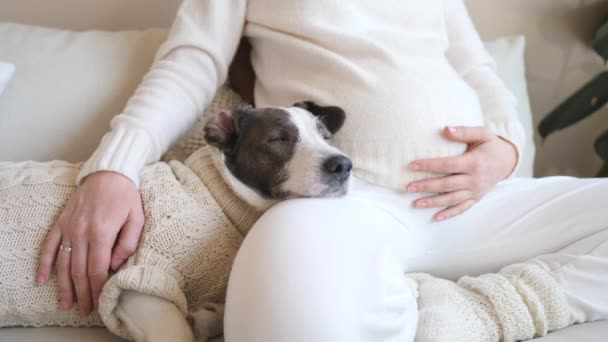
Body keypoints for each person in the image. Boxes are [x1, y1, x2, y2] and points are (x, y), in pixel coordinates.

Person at [37, 0, 608, 341]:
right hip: (350, 209)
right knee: (281, 300)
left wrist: (504, 150)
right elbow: (193, 59)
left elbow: (478, 69)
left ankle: (483, 310)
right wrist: (114, 169)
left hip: (482, 201)